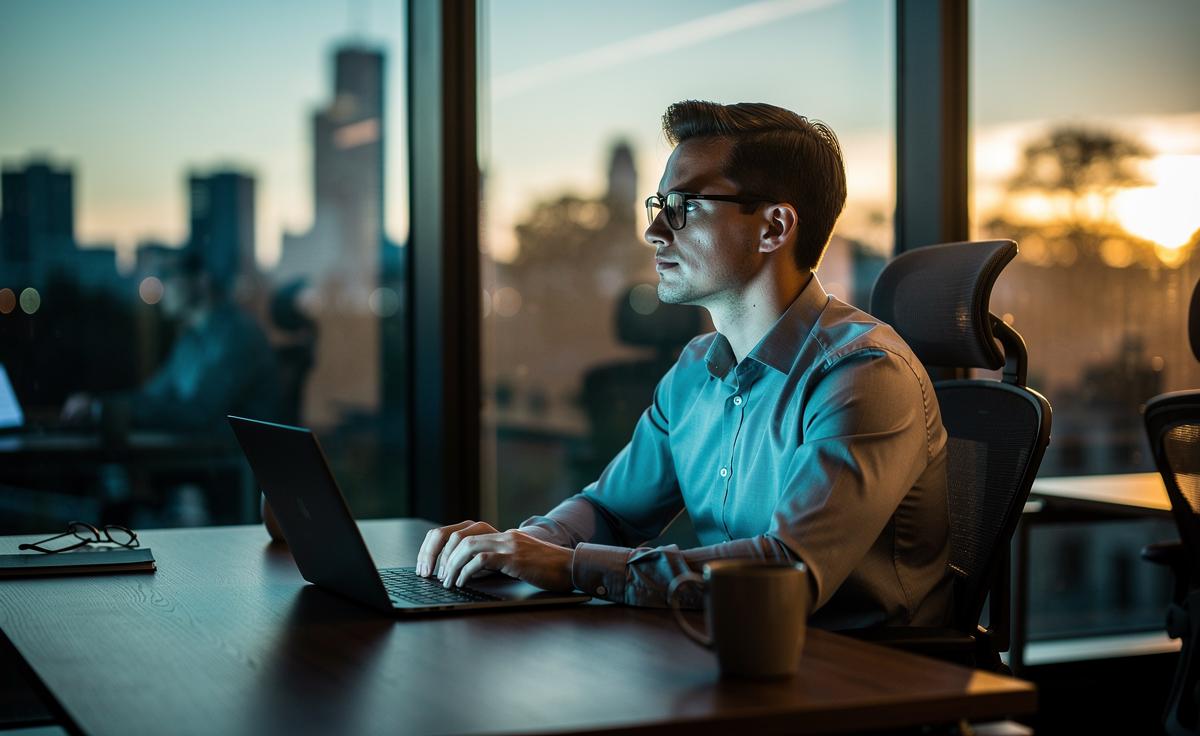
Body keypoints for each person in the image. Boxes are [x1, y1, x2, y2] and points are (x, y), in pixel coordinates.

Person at [418, 100, 952, 630]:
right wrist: (526, 543)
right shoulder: (696, 371)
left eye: (684, 206)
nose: (655, 232)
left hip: (860, 679)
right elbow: (611, 511)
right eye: (658, 206)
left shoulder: (862, 375)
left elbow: (788, 571)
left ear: (773, 227)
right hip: (726, 653)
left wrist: (569, 565)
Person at [62, 251, 280, 434]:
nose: (162, 288)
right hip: (204, 459)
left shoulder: (237, 335)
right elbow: (153, 396)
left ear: (201, 280)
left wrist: (104, 410)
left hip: (237, 466)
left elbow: (199, 413)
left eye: (167, 276)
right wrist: (99, 407)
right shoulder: (191, 340)